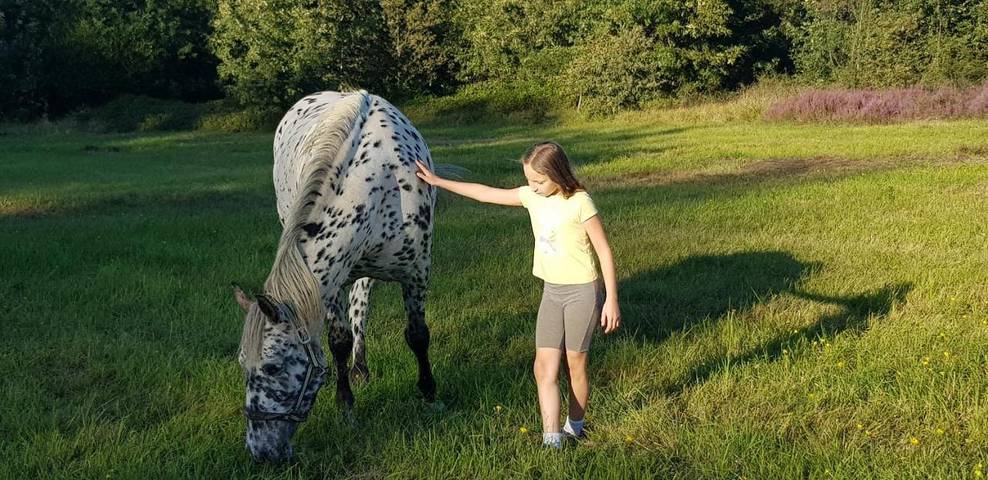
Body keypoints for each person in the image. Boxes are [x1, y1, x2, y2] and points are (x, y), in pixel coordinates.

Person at [415, 141, 621, 449]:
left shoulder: (580, 202)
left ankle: (575, 426)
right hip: (551, 292)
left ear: (558, 174)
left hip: (582, 292)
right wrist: (438, 181)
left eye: (539, 181)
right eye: (528, 180)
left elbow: (604, 251)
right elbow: (485, 192)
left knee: (574, 364)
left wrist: (612, 300)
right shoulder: (531, 197)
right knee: (544, 366)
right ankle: (552, 439)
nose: (533, 187)